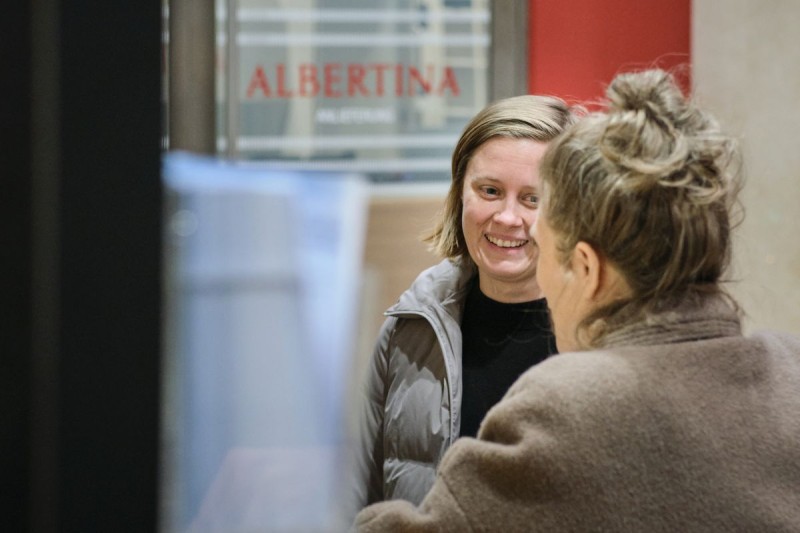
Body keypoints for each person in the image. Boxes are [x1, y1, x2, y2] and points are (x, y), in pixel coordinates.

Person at [354, 68, 800, 531]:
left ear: (586, 267)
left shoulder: (570, 402)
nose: (511, 220)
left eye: (540, 220)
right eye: (489, 190)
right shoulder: (790, 370)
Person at [347, 95, 577, 516]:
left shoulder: (601, 341)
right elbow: (358, 500)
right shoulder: (410, 329)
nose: (507, 218)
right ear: (460, 195)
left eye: (532, 199)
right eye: (489, 191)